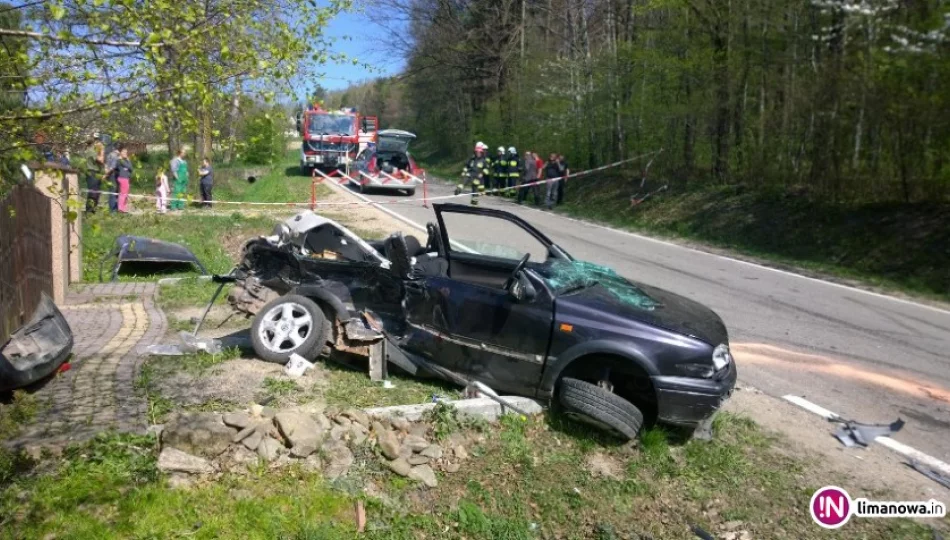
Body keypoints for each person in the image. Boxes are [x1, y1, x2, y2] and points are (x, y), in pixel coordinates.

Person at [83, 136, 105, 213]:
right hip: (92, 173)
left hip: (95, 173)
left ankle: (92, 209)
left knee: (96, 193)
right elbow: (101, 161)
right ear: (94, 143)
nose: (99, 143)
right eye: (97, 142)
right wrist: (102, 150)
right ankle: (89, 210)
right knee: (93, 193)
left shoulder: (91, 150)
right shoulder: (91, 151)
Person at [113, 145, 133, 213]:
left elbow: (131, 168)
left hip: (126, 178)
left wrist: (128, 161)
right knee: (123, 194)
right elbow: (127, 167)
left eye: (126, 152)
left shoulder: (125, 160)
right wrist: (127, 166)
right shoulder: (119, 160)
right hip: (123, 178)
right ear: (120, 152)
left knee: (125, 194)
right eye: (124, 152)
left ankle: (123, 208)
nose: (125, 153)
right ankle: (120, 208)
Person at [104, 145, 120, 213]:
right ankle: (113, 210)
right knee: (114, 193)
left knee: (111, 192)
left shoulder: (108, 155)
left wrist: (106, 174)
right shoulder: (115, 156)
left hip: (110, 176)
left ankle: (112, 209)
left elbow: (106, 165)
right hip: (113, 175)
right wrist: (107, 174)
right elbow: (113, 167)